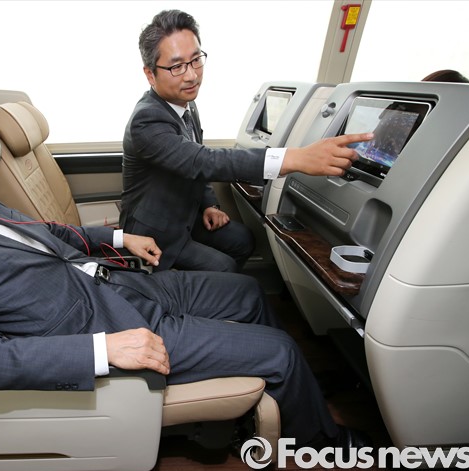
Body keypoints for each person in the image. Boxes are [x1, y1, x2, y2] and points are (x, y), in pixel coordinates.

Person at [0, 117, 370, 452]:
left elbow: (44, 234)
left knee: (246, 291)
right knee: (279, 350)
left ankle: (282, 397)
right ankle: (321, 443)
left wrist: (118, 235)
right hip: (103, 325)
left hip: (113, 284)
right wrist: (103, 349)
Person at [120, 9, 373, 273]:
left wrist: (209, 204)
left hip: (186, 214)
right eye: (176, 66)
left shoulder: (185, 104)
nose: (192, 75)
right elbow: (201, 161)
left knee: (243, 240)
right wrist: (296, 157)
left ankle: (210, 290)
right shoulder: (146, 120)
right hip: (157, 233)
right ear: (150, 74)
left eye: (195, 60)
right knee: (225, 268)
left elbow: (191, 157)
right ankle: (201, 291)